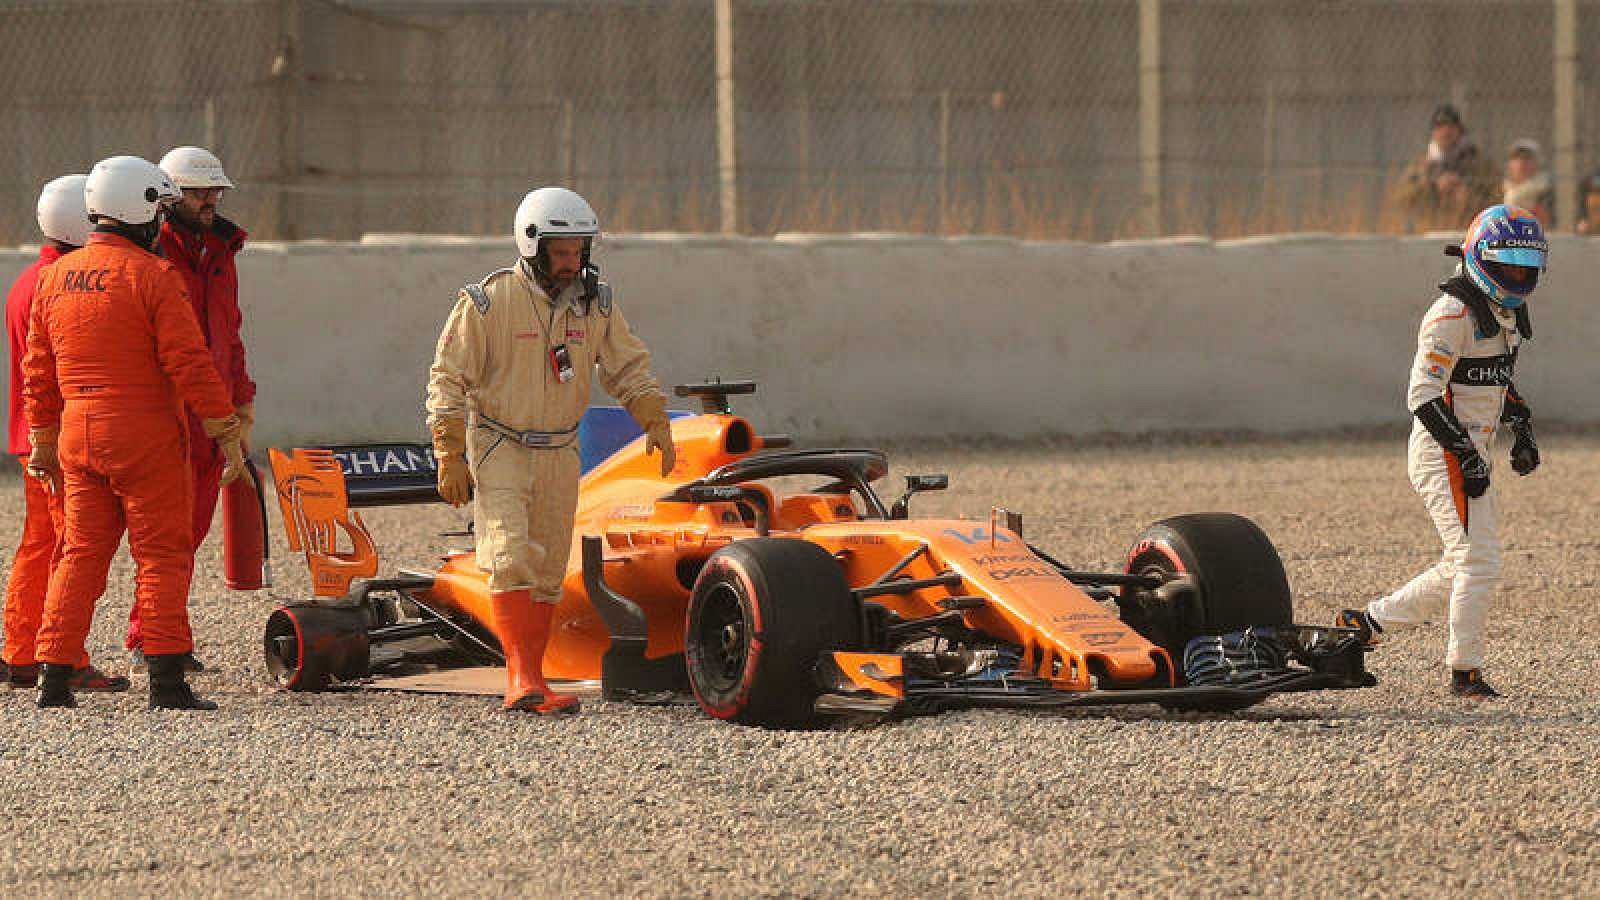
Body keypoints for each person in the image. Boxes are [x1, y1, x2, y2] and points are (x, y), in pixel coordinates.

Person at [426, 187, 676, 714]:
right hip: (500, 445)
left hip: (561, 448)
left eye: (579, 250)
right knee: (510, 556)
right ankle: (522, 679)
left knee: (547, 568)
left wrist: (653, 417)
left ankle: (534, 677)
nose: (571, 262)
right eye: (561, 252)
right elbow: (448, 379)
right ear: (533, 246)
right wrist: (449, 452)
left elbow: (626, 365)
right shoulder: (487, 303)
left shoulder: (597, 304)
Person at [22, 155, 248, 710]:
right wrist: (225, 430)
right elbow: (189, 362)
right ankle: (167, 684)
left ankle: (54, 677)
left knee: (79, 554)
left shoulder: (52, 278)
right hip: (144, 435)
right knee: (163, 555)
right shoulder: (154, 275)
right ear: (139, 208)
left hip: (78, 433)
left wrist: (44, 441)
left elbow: (37, 370)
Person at [1339, 204, 1546, 699]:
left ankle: (1366, 623)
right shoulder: (1451, 315)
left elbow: (1498, 380)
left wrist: (1522, 428)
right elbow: (1423, 397)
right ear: (1478, 258)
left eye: (1526, 266)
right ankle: (1464, 671)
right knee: (1479, 562)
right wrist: (1465, 456)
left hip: (1472, 450)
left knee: (1462, 561)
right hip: (1441, 452)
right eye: (1507, 264)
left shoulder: (1507, 312)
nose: (1516, 275)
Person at [121, 146, 255, 674]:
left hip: (212, 414)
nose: (210, 200)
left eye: (215, 191)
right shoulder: (152, 255)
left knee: (191, 531)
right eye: (199, 192)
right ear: (170, 196)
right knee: (166, 537)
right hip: (169, 416)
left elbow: (231, 331)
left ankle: (157, 635)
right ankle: (150, 639)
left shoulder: (220, 253)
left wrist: (239, 400)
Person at [2, 175, 130, 693]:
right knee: (70, 548)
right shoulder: (66, 282)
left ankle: (19, 650)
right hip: (57, 438)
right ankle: (64, 655)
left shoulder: (29, 279)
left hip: (32, 437)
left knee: (40, 544)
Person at [1395, 104, 1499, 231]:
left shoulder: (1479, 163)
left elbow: (1496, 197)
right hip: (1429, 230)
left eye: (1450, 126)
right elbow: (1402, 199)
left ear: (1460, 130)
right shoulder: (1421, 165)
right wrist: (1433, 187)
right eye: (1440, 126)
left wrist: (1467, 194)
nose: (1445, 131)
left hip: (1470, 230)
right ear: (1433, 132)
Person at [1501, 139, 1554, 227]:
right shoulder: (1501, 190)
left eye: (1527, 158)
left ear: (1538, 163)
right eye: (1516, 158)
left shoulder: (1545, 190)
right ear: (1510, 164)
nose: (1522, 162)